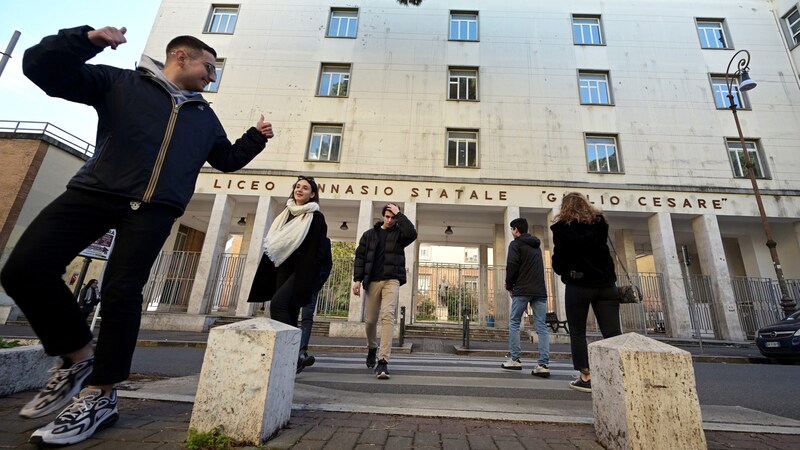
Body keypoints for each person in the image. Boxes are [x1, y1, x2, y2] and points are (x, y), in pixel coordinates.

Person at [0, 25, 274, 445]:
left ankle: (100, 396)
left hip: (154, 209)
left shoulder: (204, 116)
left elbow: (227, 160)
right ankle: (78, 357)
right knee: (23, 269)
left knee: (121, 293)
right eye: (208, 66)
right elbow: (44, 71)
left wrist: (255, 138)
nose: (212, 76)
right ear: (181, 57)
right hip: (96, 191)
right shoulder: (119, 83)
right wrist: (85, 41)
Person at [550, 192, 622, 393]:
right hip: (605, 285)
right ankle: (616, 375)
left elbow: (558, 261)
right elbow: (607, 255)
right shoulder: (600, 224)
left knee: (578, 332)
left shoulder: (562, 229)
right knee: (612, 333)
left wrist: (569, 273)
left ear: (565, 208)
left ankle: (586, 376)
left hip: (578, 286)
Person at [247, 176, 328, 330]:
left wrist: (310, 276)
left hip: (301, 271)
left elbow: (317, 251)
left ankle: (288, 347)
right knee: (289, 310)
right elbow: (276, 240)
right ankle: (292, 352)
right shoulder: (285, 213)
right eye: (298, 186)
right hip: (282, 267)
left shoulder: (316, 217)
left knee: (278, 305)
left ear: (312, 195)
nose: (300, 190)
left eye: (305, 188)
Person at [352, 203, 417, 380]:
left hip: (392, 279)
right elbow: (360, 257)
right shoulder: (369, 235)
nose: (390, 220)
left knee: (388, 316)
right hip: (372, 281)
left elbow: (412, 233)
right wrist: (357, 280)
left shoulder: (400, 235)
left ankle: (383, 360)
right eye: (387, 216)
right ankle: (372, 347)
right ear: (382, 217)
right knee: (370, 321)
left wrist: (400, 214)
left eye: (393, 217)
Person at [501, 218, 550, 378]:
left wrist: (509, 285)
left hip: (522, 289)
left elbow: (512, 265)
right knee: (541, 326)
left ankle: (515, 360)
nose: (511, 232)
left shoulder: (515, 245)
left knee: (515, 322)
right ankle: (543, 365)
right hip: (539, 290)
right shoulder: (536, 246)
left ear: (516, 230)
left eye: (511, 229)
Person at [297, 236, 333, 374]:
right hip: (294, 282)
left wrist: (319, 281)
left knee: (307, 317)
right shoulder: (299, 235)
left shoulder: (324, 241)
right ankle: (293, 350)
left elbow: (328, 264)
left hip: (312, 284)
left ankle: (301, 352)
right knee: (290, 314)